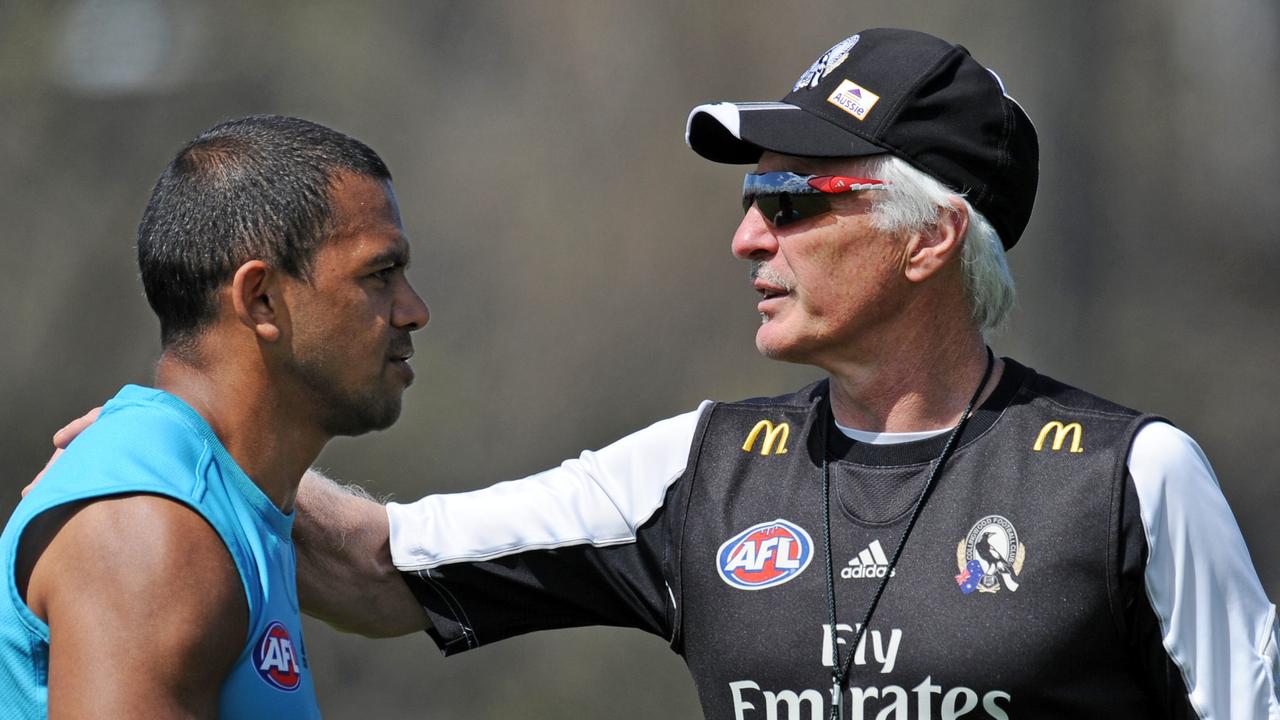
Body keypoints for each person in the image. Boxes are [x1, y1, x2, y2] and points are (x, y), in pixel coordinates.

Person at [34, 30, 1280, 720]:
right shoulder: (697, 468)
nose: (748, 236)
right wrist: (188, 454)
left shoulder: (1132, 479)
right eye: (750, 201)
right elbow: (381, 563)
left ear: (929, 235)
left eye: (793, 199)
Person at [1, 115, 429, 718]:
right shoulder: (151, 529)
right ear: (260, 299)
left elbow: (384, 573)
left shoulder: (222, 498)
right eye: (381, 274)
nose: (414, 311)